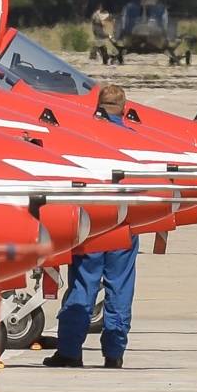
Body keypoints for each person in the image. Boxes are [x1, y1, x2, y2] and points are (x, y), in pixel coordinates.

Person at [45, 84, 138, 368]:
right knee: (120, 287)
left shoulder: (83, 136)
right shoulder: (136, 139)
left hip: (91, 223)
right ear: (124, 107)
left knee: (84, 285)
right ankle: (114, 352)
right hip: (125, 223)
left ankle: (70, 351)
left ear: (97, 105)